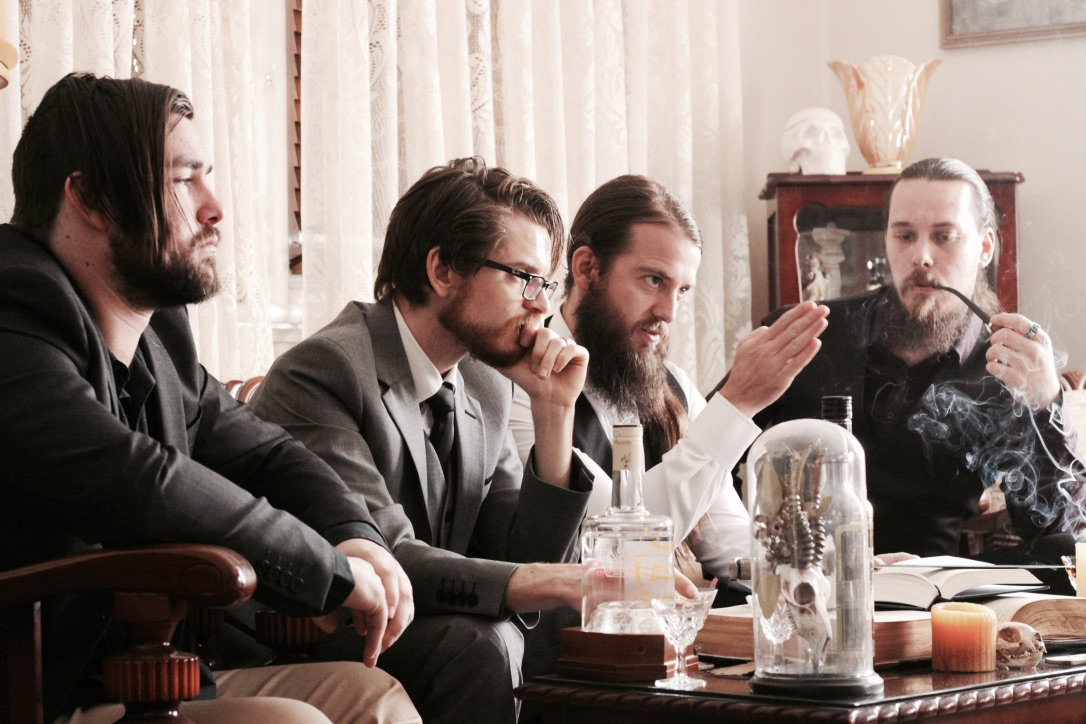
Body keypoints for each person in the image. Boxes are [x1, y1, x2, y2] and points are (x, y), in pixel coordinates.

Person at [0, 73, 420, 724]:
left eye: (208, 177)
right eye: (182, 179)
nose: (214, 207)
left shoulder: (160, 336)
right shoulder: (13, 312)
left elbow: (269, 455)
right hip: (34, 691)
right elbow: (140, 481)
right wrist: (326, 573)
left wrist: (355, 538)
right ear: (89, 198)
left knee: (374, 699)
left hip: (152, 677)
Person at [250, 158, 648, 724]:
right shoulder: (324, 371)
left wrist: (554, 411)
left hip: (433, 620)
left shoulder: (483, 382)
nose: (542, 306)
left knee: (584, 623)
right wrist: (551, 581)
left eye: (545, 283)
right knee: (479, 643)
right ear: (442, 270)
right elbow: (380, 550)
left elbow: (519, 556)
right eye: (522, 277)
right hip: (324, 632)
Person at [748, 157, 1085, 576]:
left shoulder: (1004, 366)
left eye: (944, 237)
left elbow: (1060, 536)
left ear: (984, 248)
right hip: (803, 585)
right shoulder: (810, 334)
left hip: (934, 595)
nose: (921, 257)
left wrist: (1046, 403)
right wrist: (749, 558)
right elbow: (709, 456)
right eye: (905, 236)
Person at [509, 174, 829, 586]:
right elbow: (620, 548)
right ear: (587, 269)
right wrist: (736, 404)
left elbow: (731, 545)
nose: (669, 313)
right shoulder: (523, 389)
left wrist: (833, 566)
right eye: (654, 280)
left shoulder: (674, 384)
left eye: (681, 291)